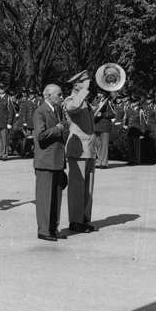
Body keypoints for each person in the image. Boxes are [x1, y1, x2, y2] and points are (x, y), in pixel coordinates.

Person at [33, 84, 68, 242]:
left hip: (57, 160)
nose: (61, 97)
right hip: (45, 161)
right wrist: (58, 129)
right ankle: (44, 230)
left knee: (56, 197)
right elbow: (40, 135)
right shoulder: (40, 111)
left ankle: (53, 228)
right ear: (48, 96)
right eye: (58, 95)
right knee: (45, 198)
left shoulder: (57, 110)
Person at [64, 71, 98, 234]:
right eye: (84, 82)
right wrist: (84, 90)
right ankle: (75, 220)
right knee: (77, 188)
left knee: (88, 188)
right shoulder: (70, 100)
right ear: (76, 84)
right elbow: (74, 107)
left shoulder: (85, 102)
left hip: (89, 150)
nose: (87, 84)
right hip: (78, 150)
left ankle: (84, 219)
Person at [92, 92, 117, 169]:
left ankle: (104, 162)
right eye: (99, 92)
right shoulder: (95, 101)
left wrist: (104, 114)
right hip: (96, 125)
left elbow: (113, 113)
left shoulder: (108, 102)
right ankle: (99, 161)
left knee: (104, 145)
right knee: (98, 145)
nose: (99, 94)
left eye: (101, 93)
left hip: (105, 125)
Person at [0, 82, 15, 161]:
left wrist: (9, 122)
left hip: (4, 121)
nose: (1, 89)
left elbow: (11, 111)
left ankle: (5, 155)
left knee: (4, 139)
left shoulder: (8, 98)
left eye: (2, 88)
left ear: (5, 89)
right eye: (0, 88)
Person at [122, 97, 146, 166]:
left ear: (137, 103)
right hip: (130, 130)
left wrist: (142, 133)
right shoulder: (129, 110)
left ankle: (136, 160)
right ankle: (130, 160)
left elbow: (142, 122)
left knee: (136, 146)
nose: (132, 103)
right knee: (130, 146)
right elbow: (127, 119)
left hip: (136, 131)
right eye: (132, 102)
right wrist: (125, 125)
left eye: (134, 102)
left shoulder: (140, 111)